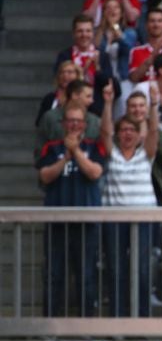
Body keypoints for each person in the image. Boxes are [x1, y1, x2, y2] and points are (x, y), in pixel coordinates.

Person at [36, 102, 108, 317]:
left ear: (85, 124)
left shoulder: (95, 146)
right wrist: (65, 157)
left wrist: (75, 150)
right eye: (70, 120)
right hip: (57, 220)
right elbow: (45, 176)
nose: (74, 124)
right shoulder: (51, 147)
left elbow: (95, 173)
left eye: (78, 120)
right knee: (54, 274)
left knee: (86, 274)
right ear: (63, 123)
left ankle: (86, 323)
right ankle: (50, 323)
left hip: (86, 221)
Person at [101, 82, 159, 317]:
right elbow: (105, 133)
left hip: (143, 218)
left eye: (131, 130)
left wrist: (154, 105)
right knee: (116, 270)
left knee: (142, 270)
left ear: (138, 134)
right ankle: (117, 319)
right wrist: (107, 102)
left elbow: (153, 132)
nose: (127, 133)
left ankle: (141, 318)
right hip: (114, 219)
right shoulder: (111, 153)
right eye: (123, 129)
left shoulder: (146, 155)